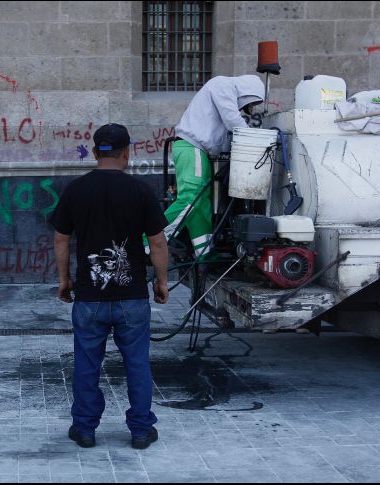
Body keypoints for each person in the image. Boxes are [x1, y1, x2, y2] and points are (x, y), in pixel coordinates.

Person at [51, 123, 170, 450]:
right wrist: (161, 281)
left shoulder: (75, 190)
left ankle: (86, 430)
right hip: (132, 298)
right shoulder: (140, 191)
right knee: (137, 364)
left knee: (86, 364)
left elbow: (61, 239)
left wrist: (65, 280)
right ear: (127, 152)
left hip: (89, 298)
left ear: (94, 151)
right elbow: (158, 243)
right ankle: (141, 431)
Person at [157, 74, 265, 259]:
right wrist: (257, 139)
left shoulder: (224, 95)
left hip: (198, 152)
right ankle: (147, 241)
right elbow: (233, 120)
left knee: (201, 207)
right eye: (250, 102)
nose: (246, 108)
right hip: (192, 149)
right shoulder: (222, 84)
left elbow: (223, 140)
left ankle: (204, 254)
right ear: (248, 91)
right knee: (191, 201)